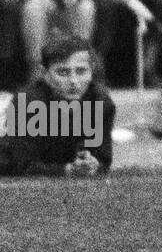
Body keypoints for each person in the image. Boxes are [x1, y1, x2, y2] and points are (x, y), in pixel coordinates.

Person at [0, 35, 115, 177]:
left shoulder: (101, 102)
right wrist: (66, 170)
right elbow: (19, 164)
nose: (73, 81)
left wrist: (93, 163)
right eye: (63, 72)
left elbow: (103, 159)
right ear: (44, 74)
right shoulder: (28, 102)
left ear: (92, 71)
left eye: (81, 71)